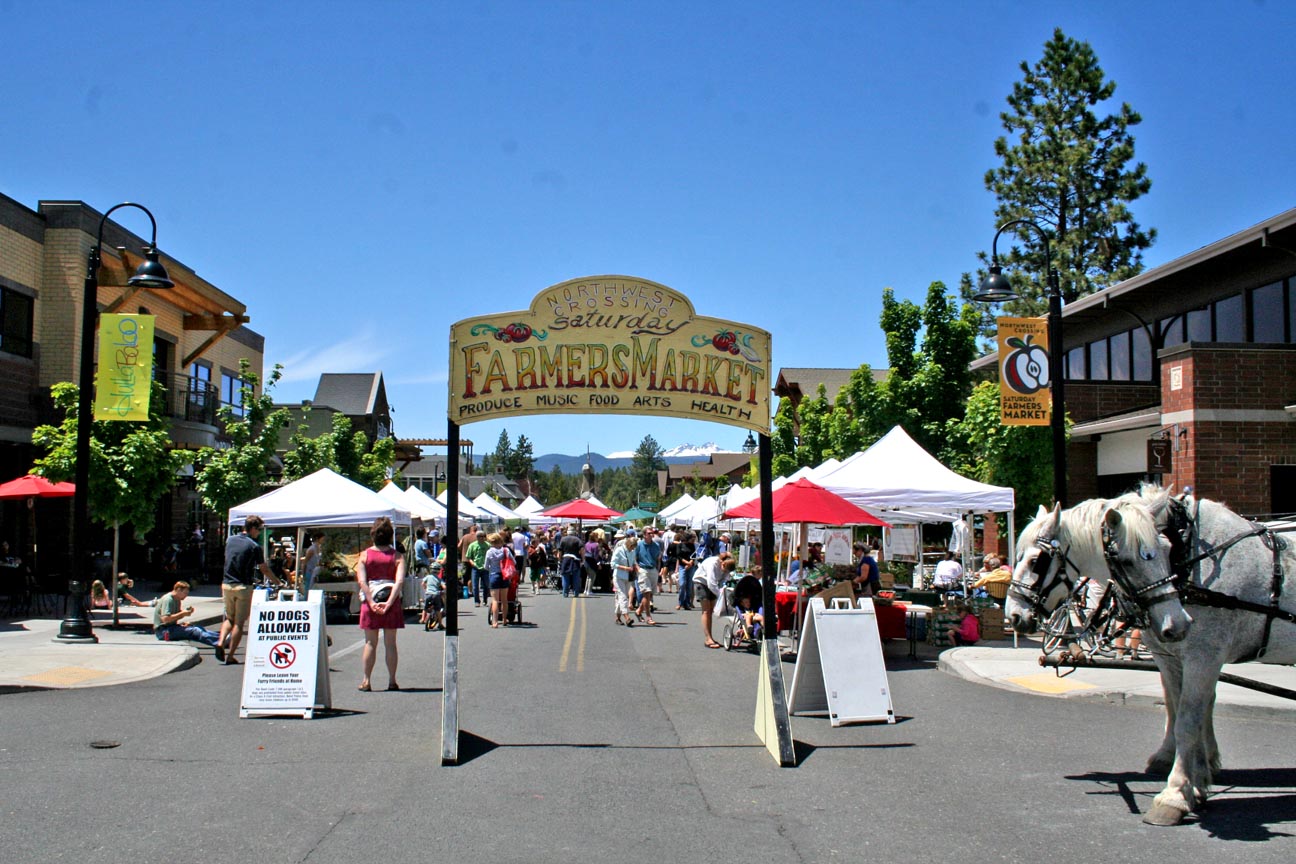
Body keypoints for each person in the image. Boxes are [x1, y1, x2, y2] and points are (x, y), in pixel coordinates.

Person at [218, 516, 280, 666]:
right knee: (239, 623)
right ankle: (231, 655)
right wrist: (277, 582)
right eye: (259, 529)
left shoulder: (230, 540)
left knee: (229, 618)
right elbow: (264, 569)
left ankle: (220, 642)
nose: (259, 533)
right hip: (243, 586)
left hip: (226, 583)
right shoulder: (254, 546)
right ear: (253, 528)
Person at [357, 516, 406, 691]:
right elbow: (399, 582)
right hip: (391, 602)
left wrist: (371, 601)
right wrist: (389, 602)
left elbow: (362, 581)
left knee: (370, 643)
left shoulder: (364, 555)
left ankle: (366, 680)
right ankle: (392, 680)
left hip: (371, 602)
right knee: (391, 643)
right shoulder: (397, 556)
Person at [153, 581, 223, 656]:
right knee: (194, 631)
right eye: (185, 593)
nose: (186, 596)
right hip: (163, 631)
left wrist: (183, 618)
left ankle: (222, 638)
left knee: (196, 628)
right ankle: (219, 642)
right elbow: (165, 619)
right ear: (178, 590)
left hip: (170, 627)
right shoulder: (168, 599)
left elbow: (174, 616)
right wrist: (183, 613)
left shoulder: (177, 600)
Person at [693, 551, 737, 649]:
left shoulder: (726, 568)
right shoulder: (712, 563)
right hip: (701, 582)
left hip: (713, 585)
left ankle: (710, 637)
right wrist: (720, 595)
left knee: (711, 610)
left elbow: (724, 580)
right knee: (706, 611)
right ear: (723, 564)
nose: (725, 572)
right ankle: (708, 638)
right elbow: (711, 582)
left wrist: (722, 590)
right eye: (725, 570)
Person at [634, 527, 661, 624]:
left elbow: (658, 558)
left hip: (653, 570)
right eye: (649, 533)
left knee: (650, 594)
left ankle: (639, 611)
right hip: (643, 569)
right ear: (644, 534)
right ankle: (649, 617)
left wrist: (658, 569)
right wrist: (638, 569)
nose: (651, 534)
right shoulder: (639, 544)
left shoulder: (656, 545)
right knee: (646, 592)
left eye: (652, 533)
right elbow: (634, 558)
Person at [610, 532, 638, 626]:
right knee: (623, 596)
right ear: (629, 545)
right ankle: (627, 617)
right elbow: (613, 564)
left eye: (634, 547)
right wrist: (625, 568)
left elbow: (633, 562)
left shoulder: (632, 552)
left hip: (628, 577)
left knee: (621, 598)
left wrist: (636, 569)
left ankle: (617, 617)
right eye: (632, 547)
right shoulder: (619, 550)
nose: (633, 549)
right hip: (619, 576)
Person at [484, 532, 511, 628]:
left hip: (494, 575)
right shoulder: (506, 550)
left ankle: (495, 622)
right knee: (504, 600)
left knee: (495, 600)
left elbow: (486, 566)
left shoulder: (489, 552)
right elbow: (514, 561)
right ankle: (504, 619)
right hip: (504, 575)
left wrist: (492, 567)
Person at [557, 525, 584, 597]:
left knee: (565, 576)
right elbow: (582, 550)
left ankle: (565, 593)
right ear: (574, 532)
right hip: (575, 559)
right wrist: (583, 559)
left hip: (565, 559)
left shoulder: (563, 539)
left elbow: (559, 551)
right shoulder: (577, 539)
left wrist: (559, 560)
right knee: (576, 576)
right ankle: (576, 592)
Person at [465, 529, 490, 607]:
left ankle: (485, 600)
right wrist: (472, 563)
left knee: (486, 585)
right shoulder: (472, 545)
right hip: (475, 567)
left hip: (485, 568)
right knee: (475, 586)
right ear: (477, 537)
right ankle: (477, 601)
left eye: (483, 536)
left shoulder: (488, 545)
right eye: (480, 536)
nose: (482, 538)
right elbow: (468, 557)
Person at [298, 530, 327, 596]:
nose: (323, 540)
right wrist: (303, 573)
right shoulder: (312, 549)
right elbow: (305, 562)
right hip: (309, 571)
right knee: (308, 590)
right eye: (322, 539)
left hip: (315, 571)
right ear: (317, 538)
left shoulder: (319, 548)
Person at [675, 530, 697, 610]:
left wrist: (690, 563)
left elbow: (694, 555)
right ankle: (680, 602)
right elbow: (679, 556)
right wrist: (686, 563)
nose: (693, 540)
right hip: (682, 566)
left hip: (691, 566)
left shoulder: (692, 545)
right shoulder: (680, 545)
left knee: (689, 585)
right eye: (692, 538)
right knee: (682, 583)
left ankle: (687, 603)